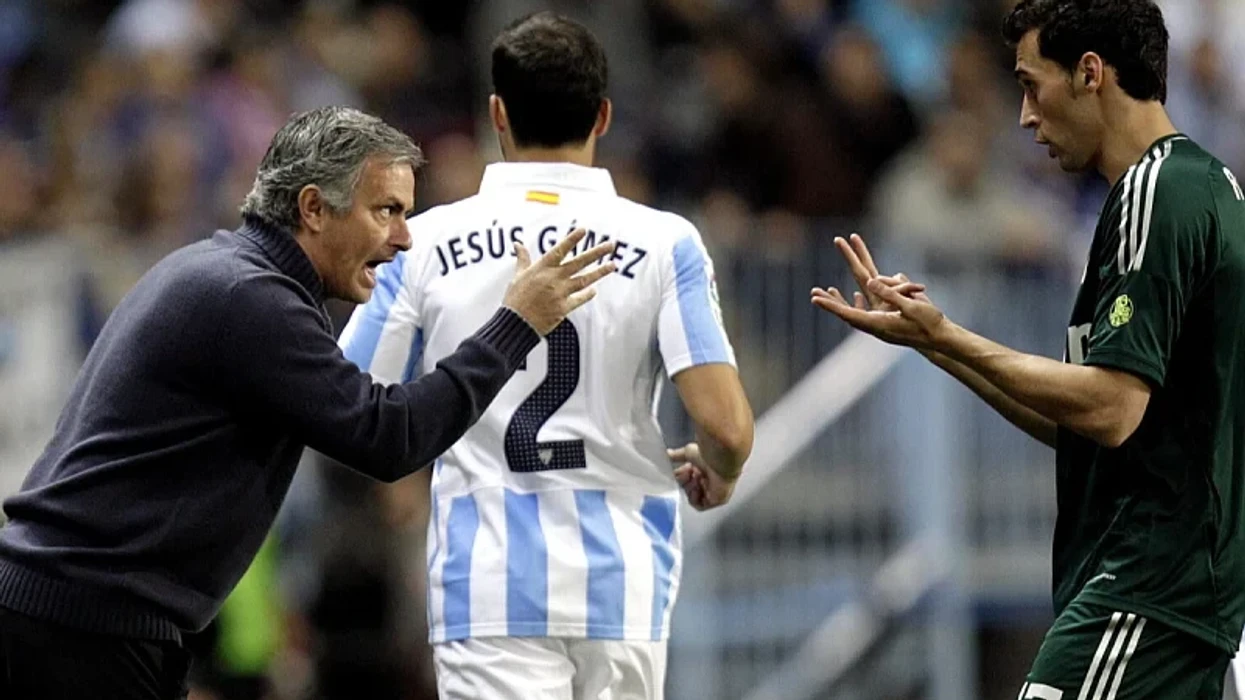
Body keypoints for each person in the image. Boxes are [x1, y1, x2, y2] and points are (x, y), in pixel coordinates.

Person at [0, 105, 616, 700]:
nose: (404, 238)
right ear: (314, 208)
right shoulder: (250, 297)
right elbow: (389, 436)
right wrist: (515, 324)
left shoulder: (228, 275)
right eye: (386, 211)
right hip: (82, 624)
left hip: (79, 616)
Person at [812, 1, 1245, 698]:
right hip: (1176, 597)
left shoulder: (1156, 192)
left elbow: (1109, 408)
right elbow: (1090, 427)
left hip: (1145, 591)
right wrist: (935, 344)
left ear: (1090, 73)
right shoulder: (1200, 186)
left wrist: (946, 334)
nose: (1024, 116)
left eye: (1031, 85)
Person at [338, 13, 754, 700]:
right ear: (603, 116)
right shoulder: (665, 243)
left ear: (497, 114)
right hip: (623, 582)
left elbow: (348, 398)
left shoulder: (423, 242)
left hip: (487, 582)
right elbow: (728, 429)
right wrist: (720, 471)